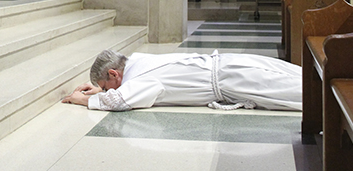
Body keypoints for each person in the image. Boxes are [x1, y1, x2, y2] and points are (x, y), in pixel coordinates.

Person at [62, 49, 302, 112]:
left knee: (301, 94)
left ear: (114, 74)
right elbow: (120, 88)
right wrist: (98, 89)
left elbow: (118, 101)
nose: (106, 91)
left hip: (234, 80)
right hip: (230, 64)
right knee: (301, 77)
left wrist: (81, 100)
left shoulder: (141, 78)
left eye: (106, 85)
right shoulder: (138, 61)